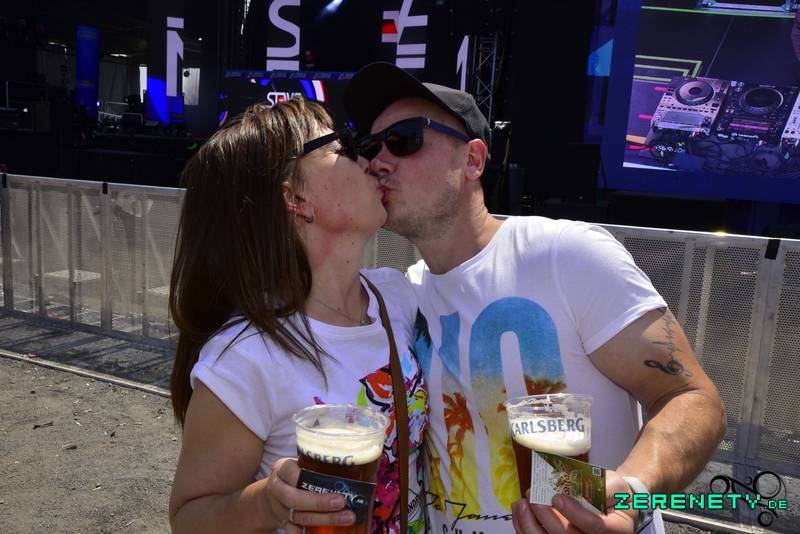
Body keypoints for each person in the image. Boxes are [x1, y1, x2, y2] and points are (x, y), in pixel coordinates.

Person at [342, 62, 727, 534]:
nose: (378, 161)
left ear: (473, 160)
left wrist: (629, 494)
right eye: (369, 147)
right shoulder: (407, 296)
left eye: (404, 139)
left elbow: (692, 398)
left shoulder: (566, 255)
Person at [167, 96, 428, 534]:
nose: (369, 159)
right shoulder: (245, 358)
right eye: (344, 146)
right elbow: (187, 518)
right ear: (296, 198)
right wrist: (266, 506)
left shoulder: (396, 295)